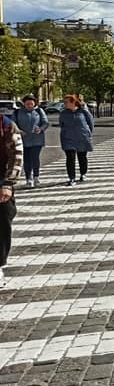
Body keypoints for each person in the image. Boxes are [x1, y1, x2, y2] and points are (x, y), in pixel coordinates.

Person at [0, 115, 23, 286]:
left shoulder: (6, 125)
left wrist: (8, 183)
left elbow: (16, 154)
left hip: (1, 180)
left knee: (2, 218)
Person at [13, 94, 48, 188]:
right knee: (26, 160)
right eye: (27, 104)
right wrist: (19, 131)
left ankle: (36, 176)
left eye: (31, 104)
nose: (29, 105)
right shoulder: (17, 112)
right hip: (23, 139)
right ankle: (28, 178)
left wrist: (40, 129)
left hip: (37, 139)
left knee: (35, 158)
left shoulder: (39, 111)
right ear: (24, 104)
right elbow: (13, 124)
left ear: (34, 104)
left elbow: (45, 123)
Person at [59, 94, 94, 185]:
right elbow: (61, 124)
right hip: (68, 139)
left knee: (82, 157)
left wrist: (88, 133)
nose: (65, 104)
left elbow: (90, 123)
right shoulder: (63, 113)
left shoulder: (83, 112)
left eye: (66, 102)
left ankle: (83, 173)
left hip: (82, 138)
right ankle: (71, 178)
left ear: (73, 102)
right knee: (70, 158)